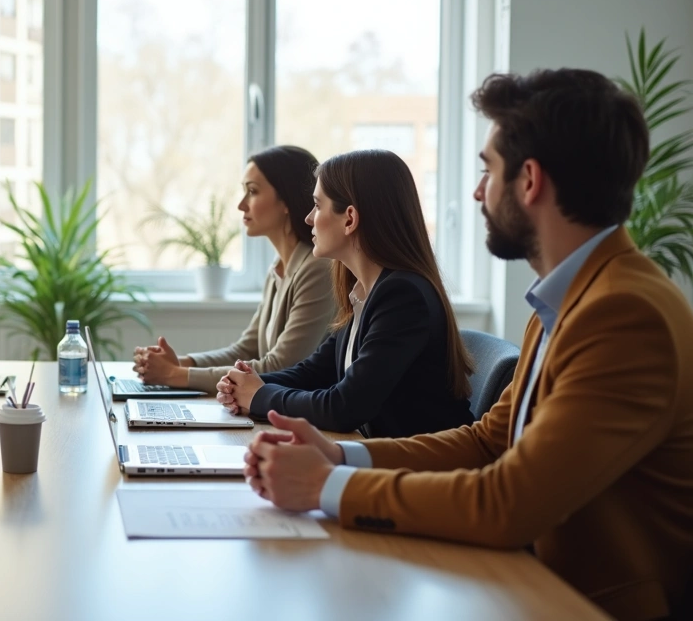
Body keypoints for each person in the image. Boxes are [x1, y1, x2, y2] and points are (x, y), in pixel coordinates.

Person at [244, 69, 693, 621]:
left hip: (578, 603)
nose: (478, 191)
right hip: (520, 581)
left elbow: (510, 502)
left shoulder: (624, 314)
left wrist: (330, 486)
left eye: (488, 171)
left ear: (529, 181)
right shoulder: (569, 299)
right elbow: (488, 442)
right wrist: (341, 455)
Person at [217, 149, 474, 438]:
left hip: (422, 472)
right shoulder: (366, 292)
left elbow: (343, 407)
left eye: (317, 205)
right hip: (383, 462)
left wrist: (259, 396)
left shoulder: (402, 296)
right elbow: (312, 373)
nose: (309, 218)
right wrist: (246, 383)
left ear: (349, 218)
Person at [131, 146, 335, 392]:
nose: (241, 205)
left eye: (252, 191)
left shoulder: (317, 269)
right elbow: (245, 349)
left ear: (286, 201)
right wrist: (181, 363)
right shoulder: (279, 268)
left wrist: (177, 375)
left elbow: (281, 365)